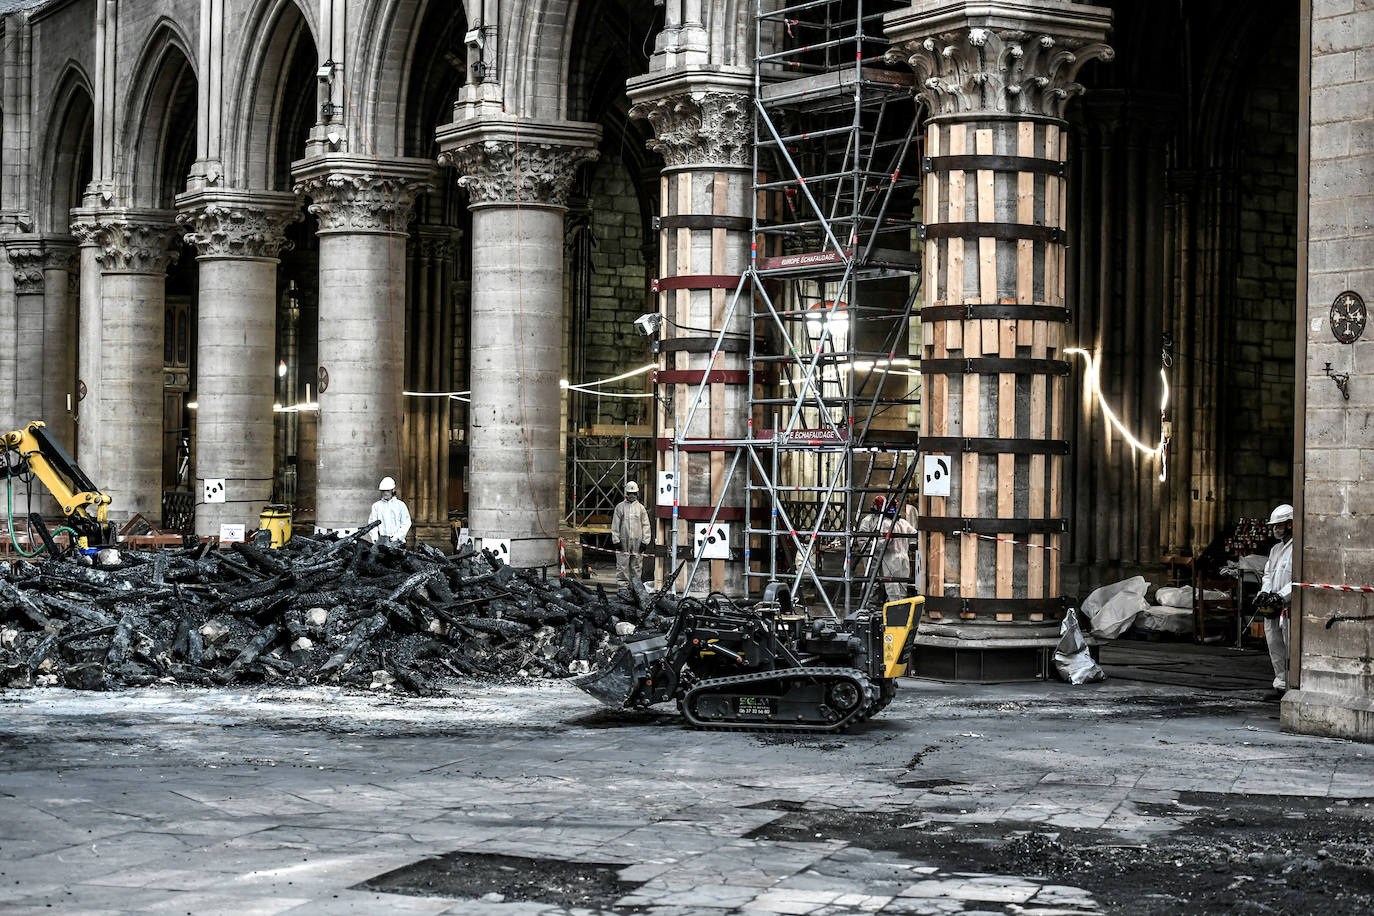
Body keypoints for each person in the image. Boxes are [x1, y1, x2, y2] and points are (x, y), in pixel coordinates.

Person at [1254, 503, 1294, 701]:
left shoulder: (1298, 549)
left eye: (1280, 525)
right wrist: (1265, 592)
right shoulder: (1276, 549)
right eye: (1275, 526)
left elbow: (1296, 580)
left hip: (1287, 607)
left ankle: (1292, 686)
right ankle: (1280, 684)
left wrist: (1281, 596)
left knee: (1289, 646)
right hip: (1273, 605)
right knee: (1274, 645)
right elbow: (1268, 574)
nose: (1276, 529)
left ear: (1290, 524)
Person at [858, 495, 918, 603]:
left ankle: (897, 605)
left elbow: (913, 534)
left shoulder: (895, 522)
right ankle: (874, 602)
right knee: (879, 581)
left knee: (898, 583)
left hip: (892, 555)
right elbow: (863, 541)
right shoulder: (870, 521)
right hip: (877, 555)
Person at [611, 481, 652, 591]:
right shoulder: (620, 507)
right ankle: (623, 588)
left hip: (638, 542)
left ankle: (636, 587)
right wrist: (616, 540)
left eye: (634, 493)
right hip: (623, 542)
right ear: (626, 493)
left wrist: (645, 541)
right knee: (622, 565)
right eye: (630, 493)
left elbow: (646, 525)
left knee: (636, 565)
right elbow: (615, 525)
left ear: (637, 494)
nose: (632, 495)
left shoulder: (641, 508)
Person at [368, 476, 411, 547]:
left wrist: (397, 537)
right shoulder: (376, 506)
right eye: (383, 491)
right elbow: (372, 524)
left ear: (393, 490)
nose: (385, 493)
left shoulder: (400, 505)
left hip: (398, 542)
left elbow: (406, 523)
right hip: (381, 543)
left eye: (387, 490)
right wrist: (375, 538)